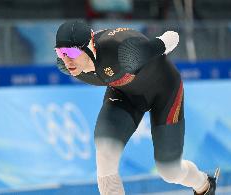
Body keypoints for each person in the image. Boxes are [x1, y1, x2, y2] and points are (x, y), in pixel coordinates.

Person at [54, 20, 219, 195]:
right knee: (105, 152)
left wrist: (156, 46)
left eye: (71, 51)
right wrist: (69, 53)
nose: (66, 58)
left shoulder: (123, 52)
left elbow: (172, 37)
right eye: (60, 51)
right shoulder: (65, 64)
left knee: (170, 171)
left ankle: (204, 184)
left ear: (90, 46)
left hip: (164, 91)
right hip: (125, 95)